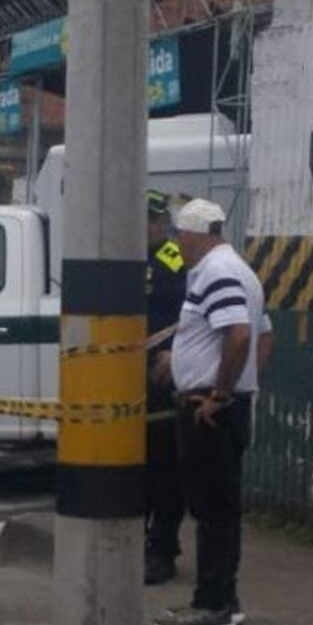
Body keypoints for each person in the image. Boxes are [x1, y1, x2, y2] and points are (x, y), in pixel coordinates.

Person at [153, 199, 272, 625]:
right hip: (224, 404)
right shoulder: (240, 270)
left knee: (211, 511)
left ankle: (211, 606)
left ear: (194, 235)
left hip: (208, 409)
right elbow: (265, 337)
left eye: (179, 237)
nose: (177, 245)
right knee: (221, 508)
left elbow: (239, 336)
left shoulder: (216, 272)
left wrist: (220, 393)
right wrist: (244, 385)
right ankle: (225, 599)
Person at [144, 189, 188, 586]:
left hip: (160, 375)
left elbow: (187, 316)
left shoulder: (173, 259)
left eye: (147, 221)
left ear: (160, 222)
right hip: (127, 376)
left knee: (163, 468)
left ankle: (162, 549)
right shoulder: (126, 258)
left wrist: (174, 354)